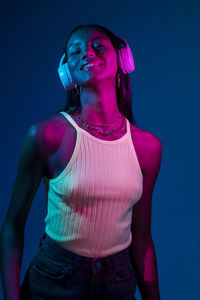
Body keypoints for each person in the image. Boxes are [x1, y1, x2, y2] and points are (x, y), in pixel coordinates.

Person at [0, 24, 162, 300]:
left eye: (98, 45)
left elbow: (142, 238)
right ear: (67, 74)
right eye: (75, 51)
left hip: (118, 284)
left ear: (122, 60)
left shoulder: (147, 147)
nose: (87, 52)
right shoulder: (47, 135)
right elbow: (13, 226)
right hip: (54, 282)